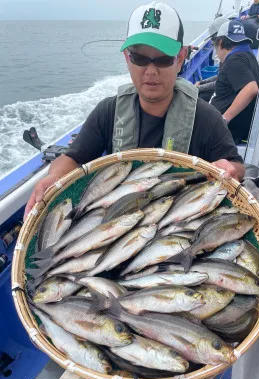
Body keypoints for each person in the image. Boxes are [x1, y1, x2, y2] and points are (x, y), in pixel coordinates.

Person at [24, 1, 245, 219]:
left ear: (180, 59)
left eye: (163, 59)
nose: (150, 71)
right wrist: (53, 177)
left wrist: (229, 169)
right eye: (139, 58)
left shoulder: (207, 119)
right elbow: (72, 158)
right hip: (118, 219)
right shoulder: (108, 112)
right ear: (127, 59)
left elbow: (236, 166)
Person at [209, 20, 259, 144]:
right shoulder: (248, 56)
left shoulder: (234, 61)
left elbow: (251, 89)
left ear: (220, 42)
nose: (216, 52)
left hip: (227, 132)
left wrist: (224, 119)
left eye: (215, 47)